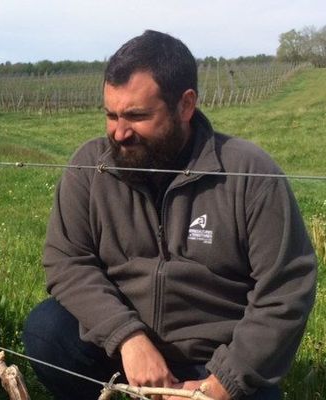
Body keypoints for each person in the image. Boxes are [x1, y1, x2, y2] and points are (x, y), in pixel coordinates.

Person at [23, 30, 317, 400]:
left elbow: (285, 290)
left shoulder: (249, 174)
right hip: (124, 354)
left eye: (136, 115)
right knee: (47, 330)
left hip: (216, 362)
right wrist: (126, 337)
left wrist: (225, 381)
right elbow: (67, 261)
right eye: (111, 115)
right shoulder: (90, 166)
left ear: (186, 105)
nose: (119, 132)